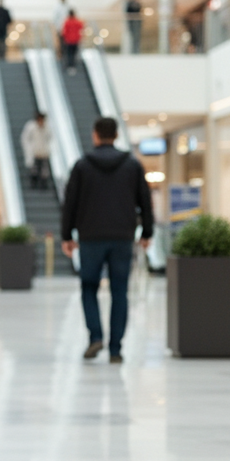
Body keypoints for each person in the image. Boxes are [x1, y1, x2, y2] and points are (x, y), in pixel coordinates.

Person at [61, 117, 154, 363]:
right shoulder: (132, 165)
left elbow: (70, 203)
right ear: (116, 135)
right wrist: (147, 232)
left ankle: (95, 337)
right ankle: (115, 349)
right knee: (119, 291)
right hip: (122, 237)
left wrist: (66, 235)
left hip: (90, 237)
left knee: (89, 287)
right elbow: (145, 201)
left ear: (95, 135)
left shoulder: (82, 166)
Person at [20, 111, 52, 189]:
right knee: (34, 170)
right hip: (35, 153)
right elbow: (25, 139)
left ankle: (43, 185)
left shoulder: (47, 128)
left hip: (44, 153)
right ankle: (34, 184)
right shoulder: (31, 127)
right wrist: (29, 150)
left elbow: (50, 139)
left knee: (44, 171)